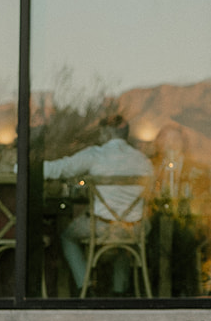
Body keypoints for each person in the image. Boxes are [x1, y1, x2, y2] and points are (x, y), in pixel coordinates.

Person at [43, 125, 152, 294]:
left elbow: (61, 168)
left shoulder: (96, 155)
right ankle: (119, 291)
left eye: (100, 133)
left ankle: (85, 286)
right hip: (135, 229)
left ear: (106, 133)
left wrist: (24, 168)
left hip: (101, 227)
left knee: (67, 236)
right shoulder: (143, 160)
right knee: (124, 239)